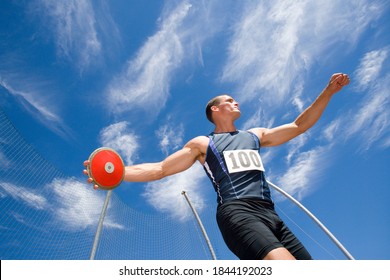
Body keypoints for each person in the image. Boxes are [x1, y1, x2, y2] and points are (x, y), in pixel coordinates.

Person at [83, 73, 350, 260]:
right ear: (215, 109)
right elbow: (161, 169)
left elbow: (298, 126)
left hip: (271, 215)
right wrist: (118, 173)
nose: (236, 102)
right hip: (238, 213)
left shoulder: (255, 135)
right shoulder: (203, 143)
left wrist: (328, 92)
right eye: (229, 100)